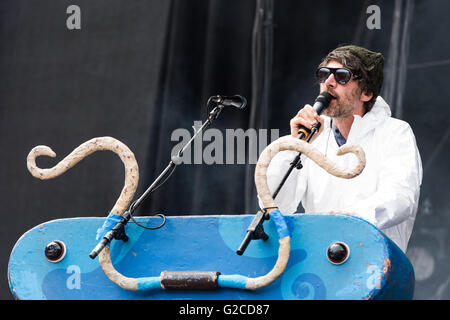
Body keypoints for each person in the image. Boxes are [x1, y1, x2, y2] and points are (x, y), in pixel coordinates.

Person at [262, 45, 422, 253]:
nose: (329, 82)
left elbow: (400, 199)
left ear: (366, 92)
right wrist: (294, 146)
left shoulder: (394, 133)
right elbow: (275, 205)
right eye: (324, 74)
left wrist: (346, 219)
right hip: (320, 265)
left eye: (342, 76)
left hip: (373, 263)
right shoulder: (311, 138)